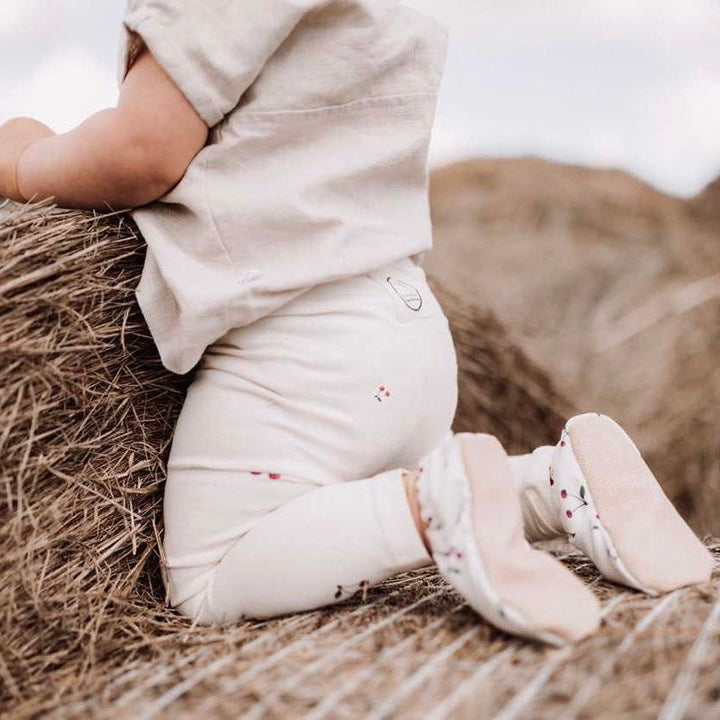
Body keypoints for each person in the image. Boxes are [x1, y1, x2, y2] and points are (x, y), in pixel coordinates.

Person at [0, 0, 712, 646]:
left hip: (299, 346)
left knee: (209, 574)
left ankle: (438, 500)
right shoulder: (372, 18)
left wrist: (31, 162)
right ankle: (551, 483)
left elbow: (141, 153)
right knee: (342, 505)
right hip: (410, 327)